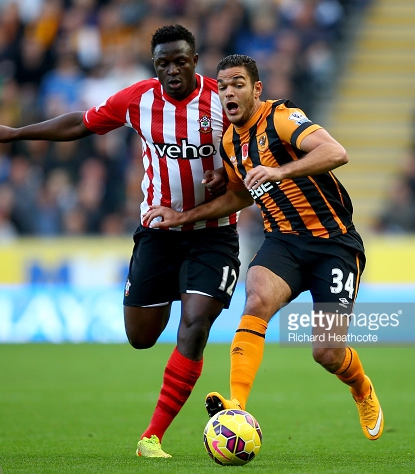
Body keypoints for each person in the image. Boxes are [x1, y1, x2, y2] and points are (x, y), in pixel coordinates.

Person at [0, 25, 241, 457]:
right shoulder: (139, 99)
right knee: (140, 337)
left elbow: (251, 149)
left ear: (195, 60)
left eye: (180, 61)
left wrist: (227, 174)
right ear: (154, 66)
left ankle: (151, 437)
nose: (172, 70)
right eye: (163, 64)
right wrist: (19, 133)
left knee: (194, 327)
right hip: (158, 233)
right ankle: (182, 287)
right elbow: (80, 124)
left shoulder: (222, 100)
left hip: (214, 234)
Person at [144, 54, 384, 441]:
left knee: (327, 354)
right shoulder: (229, 141)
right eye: (222, 87)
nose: (228, 92)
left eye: (237, 84)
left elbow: (336, 152)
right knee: (255, 299)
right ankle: (236, 406)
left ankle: (362, 388)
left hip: (333, 244)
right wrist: (182, 216)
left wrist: (281, 170)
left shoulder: (282, 118)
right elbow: (238, 196)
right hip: (283, 243)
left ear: (257, 89)